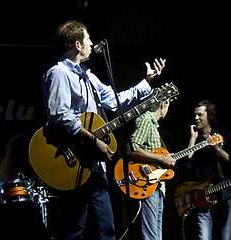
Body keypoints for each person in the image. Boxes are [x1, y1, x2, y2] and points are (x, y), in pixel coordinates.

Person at [42, 20, 166, 240]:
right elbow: (59, 114)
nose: (92, 42)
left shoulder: (88, 76)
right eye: (88, 38)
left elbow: (115, 100)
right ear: (78, 44)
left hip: (94, 165)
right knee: (74, 230)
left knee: (106, 229)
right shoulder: (59, 73)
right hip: (71, 163)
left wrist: (146, 82)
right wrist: (92, 140)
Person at [184, 100, 231, 240]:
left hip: (224, 195)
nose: (196, 118)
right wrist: (192, 139)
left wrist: (218, 150)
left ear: (209, 116)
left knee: (224, 237)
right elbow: (187, 163)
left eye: (200, 114)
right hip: (201, 197)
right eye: (194, 115)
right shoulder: (194, 140)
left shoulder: (224, 136)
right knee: (203, 237)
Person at [128, 99, 176, 240]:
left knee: (156, 236)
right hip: (147, 184)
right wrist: (161, 159)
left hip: (157, 186)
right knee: (150, 236)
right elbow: (131, 148)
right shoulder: (145, 120)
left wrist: (164, 158)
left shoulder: (153, 125)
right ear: (163, 105)